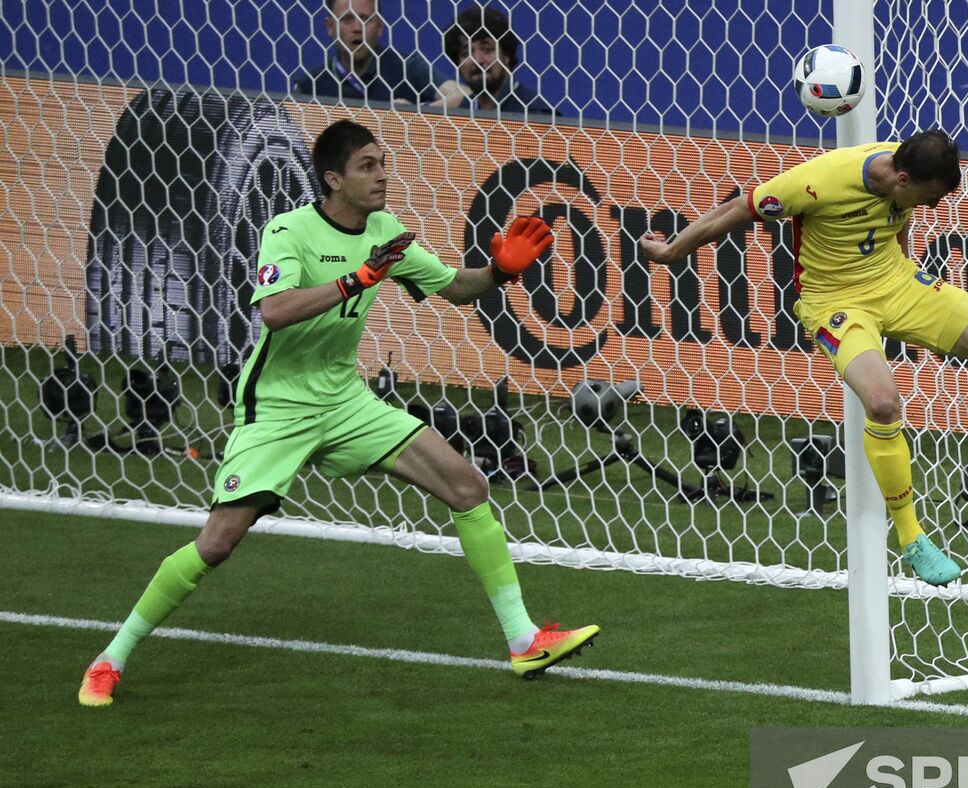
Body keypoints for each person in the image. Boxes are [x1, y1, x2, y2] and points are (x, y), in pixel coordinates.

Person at [78, 119, 598, 707]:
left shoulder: (386, 232)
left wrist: (501, 271)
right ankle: (110, 658)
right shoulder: (289, 230)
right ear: (333, 179)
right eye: (367, 167)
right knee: (219, 543)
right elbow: (275, 311)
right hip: (278, 406)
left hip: (344, 400)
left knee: (467, 484)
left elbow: (455, 288)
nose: (382, 176)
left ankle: (524, 640)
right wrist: (358, 278)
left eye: (383, 163)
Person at [639, 131, 968, 586]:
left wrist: (904, 270)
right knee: (883, 404)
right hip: (836, 304)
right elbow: (740, 208)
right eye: (932, 195)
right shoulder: (820, 180)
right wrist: (673, 251)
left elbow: (897, 224)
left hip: (897, 285)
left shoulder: (903, 174)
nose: (936, 206)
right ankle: (912, 537)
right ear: (903, 180)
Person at [296, 0, 440, 106]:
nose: (357, 28)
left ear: (380, 27)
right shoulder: (310, 86)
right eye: (347, 19)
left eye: (365, 19)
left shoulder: (407, 67)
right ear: (330, 26)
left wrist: (415, 114)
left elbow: (459, 94)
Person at [436, 5, 555, 117]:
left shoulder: (536, 115)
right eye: (466, 53)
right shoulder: (459, 114)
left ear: (506, 55)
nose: (477, 60)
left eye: (487, 50)